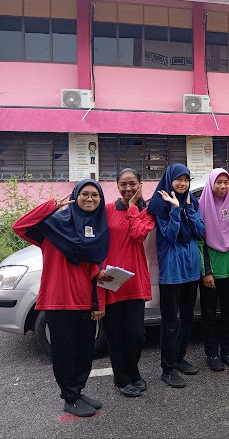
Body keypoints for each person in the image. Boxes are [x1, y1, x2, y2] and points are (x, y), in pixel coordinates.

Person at [12, 179, 109, 417]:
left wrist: (99, 289)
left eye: (95, 195)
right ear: (76, 196)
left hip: (84, 300)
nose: (90, 198)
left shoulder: (97, 231)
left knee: (85, 351)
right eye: (85, 194)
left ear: (100, 200)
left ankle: (78, 390)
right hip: (58, 300)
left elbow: (93, 267)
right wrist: (51, 206)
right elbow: (19, 226)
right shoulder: (51, 226)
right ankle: (70, 398)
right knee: (64, 353)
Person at [147, 164, 205, 388]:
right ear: (169, 180)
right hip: (171, 270)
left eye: (186, 179)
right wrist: (175, 209)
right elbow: (170, 235)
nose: (182, 183)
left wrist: (187, 208)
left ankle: (179, 357)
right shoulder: (160, 205)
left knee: (188, 317)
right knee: (170, 321)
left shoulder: (192, 202)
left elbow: (200, 230)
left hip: (191, 268)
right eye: (178, 179)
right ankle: (167, 368)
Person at [103, 168, 155, 398]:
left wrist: (133, 207)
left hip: (135, 281)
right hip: (112, 281)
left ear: (140, 185)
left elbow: (137, 235)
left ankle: (132, 371)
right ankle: (122, 378)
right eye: (123, 184)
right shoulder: (106, 210)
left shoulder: (146, 213)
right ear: (117, 186)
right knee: (115, 335)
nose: (128, 188)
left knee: (136, 334)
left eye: (132, 183)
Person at [197, 169, 229, 372]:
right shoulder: (202, 207)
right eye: (218, 182)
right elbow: (200, 242)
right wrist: (206, 272)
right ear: (211, 184)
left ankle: (228, 351)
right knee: (209, 315)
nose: (223, 186)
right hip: (212, 271)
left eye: (225, 182)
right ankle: (212, 353)